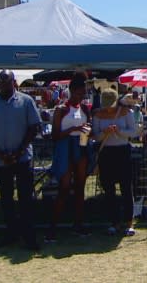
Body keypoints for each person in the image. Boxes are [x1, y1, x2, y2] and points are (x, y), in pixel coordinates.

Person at [0, 70, 41, 251]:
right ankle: (11, 233)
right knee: (6, 199)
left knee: (26, 198)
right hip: (1, 160)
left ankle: (29, 236)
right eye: (0, 83)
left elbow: (33, 127)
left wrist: (19, 152)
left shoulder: (26, 101)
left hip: (22, 159)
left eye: (7, 82)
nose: (3, 86)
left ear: (14, 83)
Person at [46, 73, 93, 241]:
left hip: (80, 146)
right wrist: (74, 130)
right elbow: (55, 135)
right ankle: (52, 228)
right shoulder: (61, 109)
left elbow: (88, 130)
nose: (81, 96)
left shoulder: (86, 108)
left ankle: (78, 225)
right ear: (71, 90)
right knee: (64, 188)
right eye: (79, 92)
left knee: (80, 187)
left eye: (83, 93)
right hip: (65, 147)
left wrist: (86, 132)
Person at [93, 89, 137, 236]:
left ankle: (129, 222)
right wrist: (105, 132)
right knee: (109, 189)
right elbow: (96, 136)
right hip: (106, 153)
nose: (108, 108)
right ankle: (114, 222)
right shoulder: (98, 115)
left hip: (123, 151)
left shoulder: (127, 112)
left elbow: (134, 132)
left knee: (126, 188)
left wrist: (120, 131)